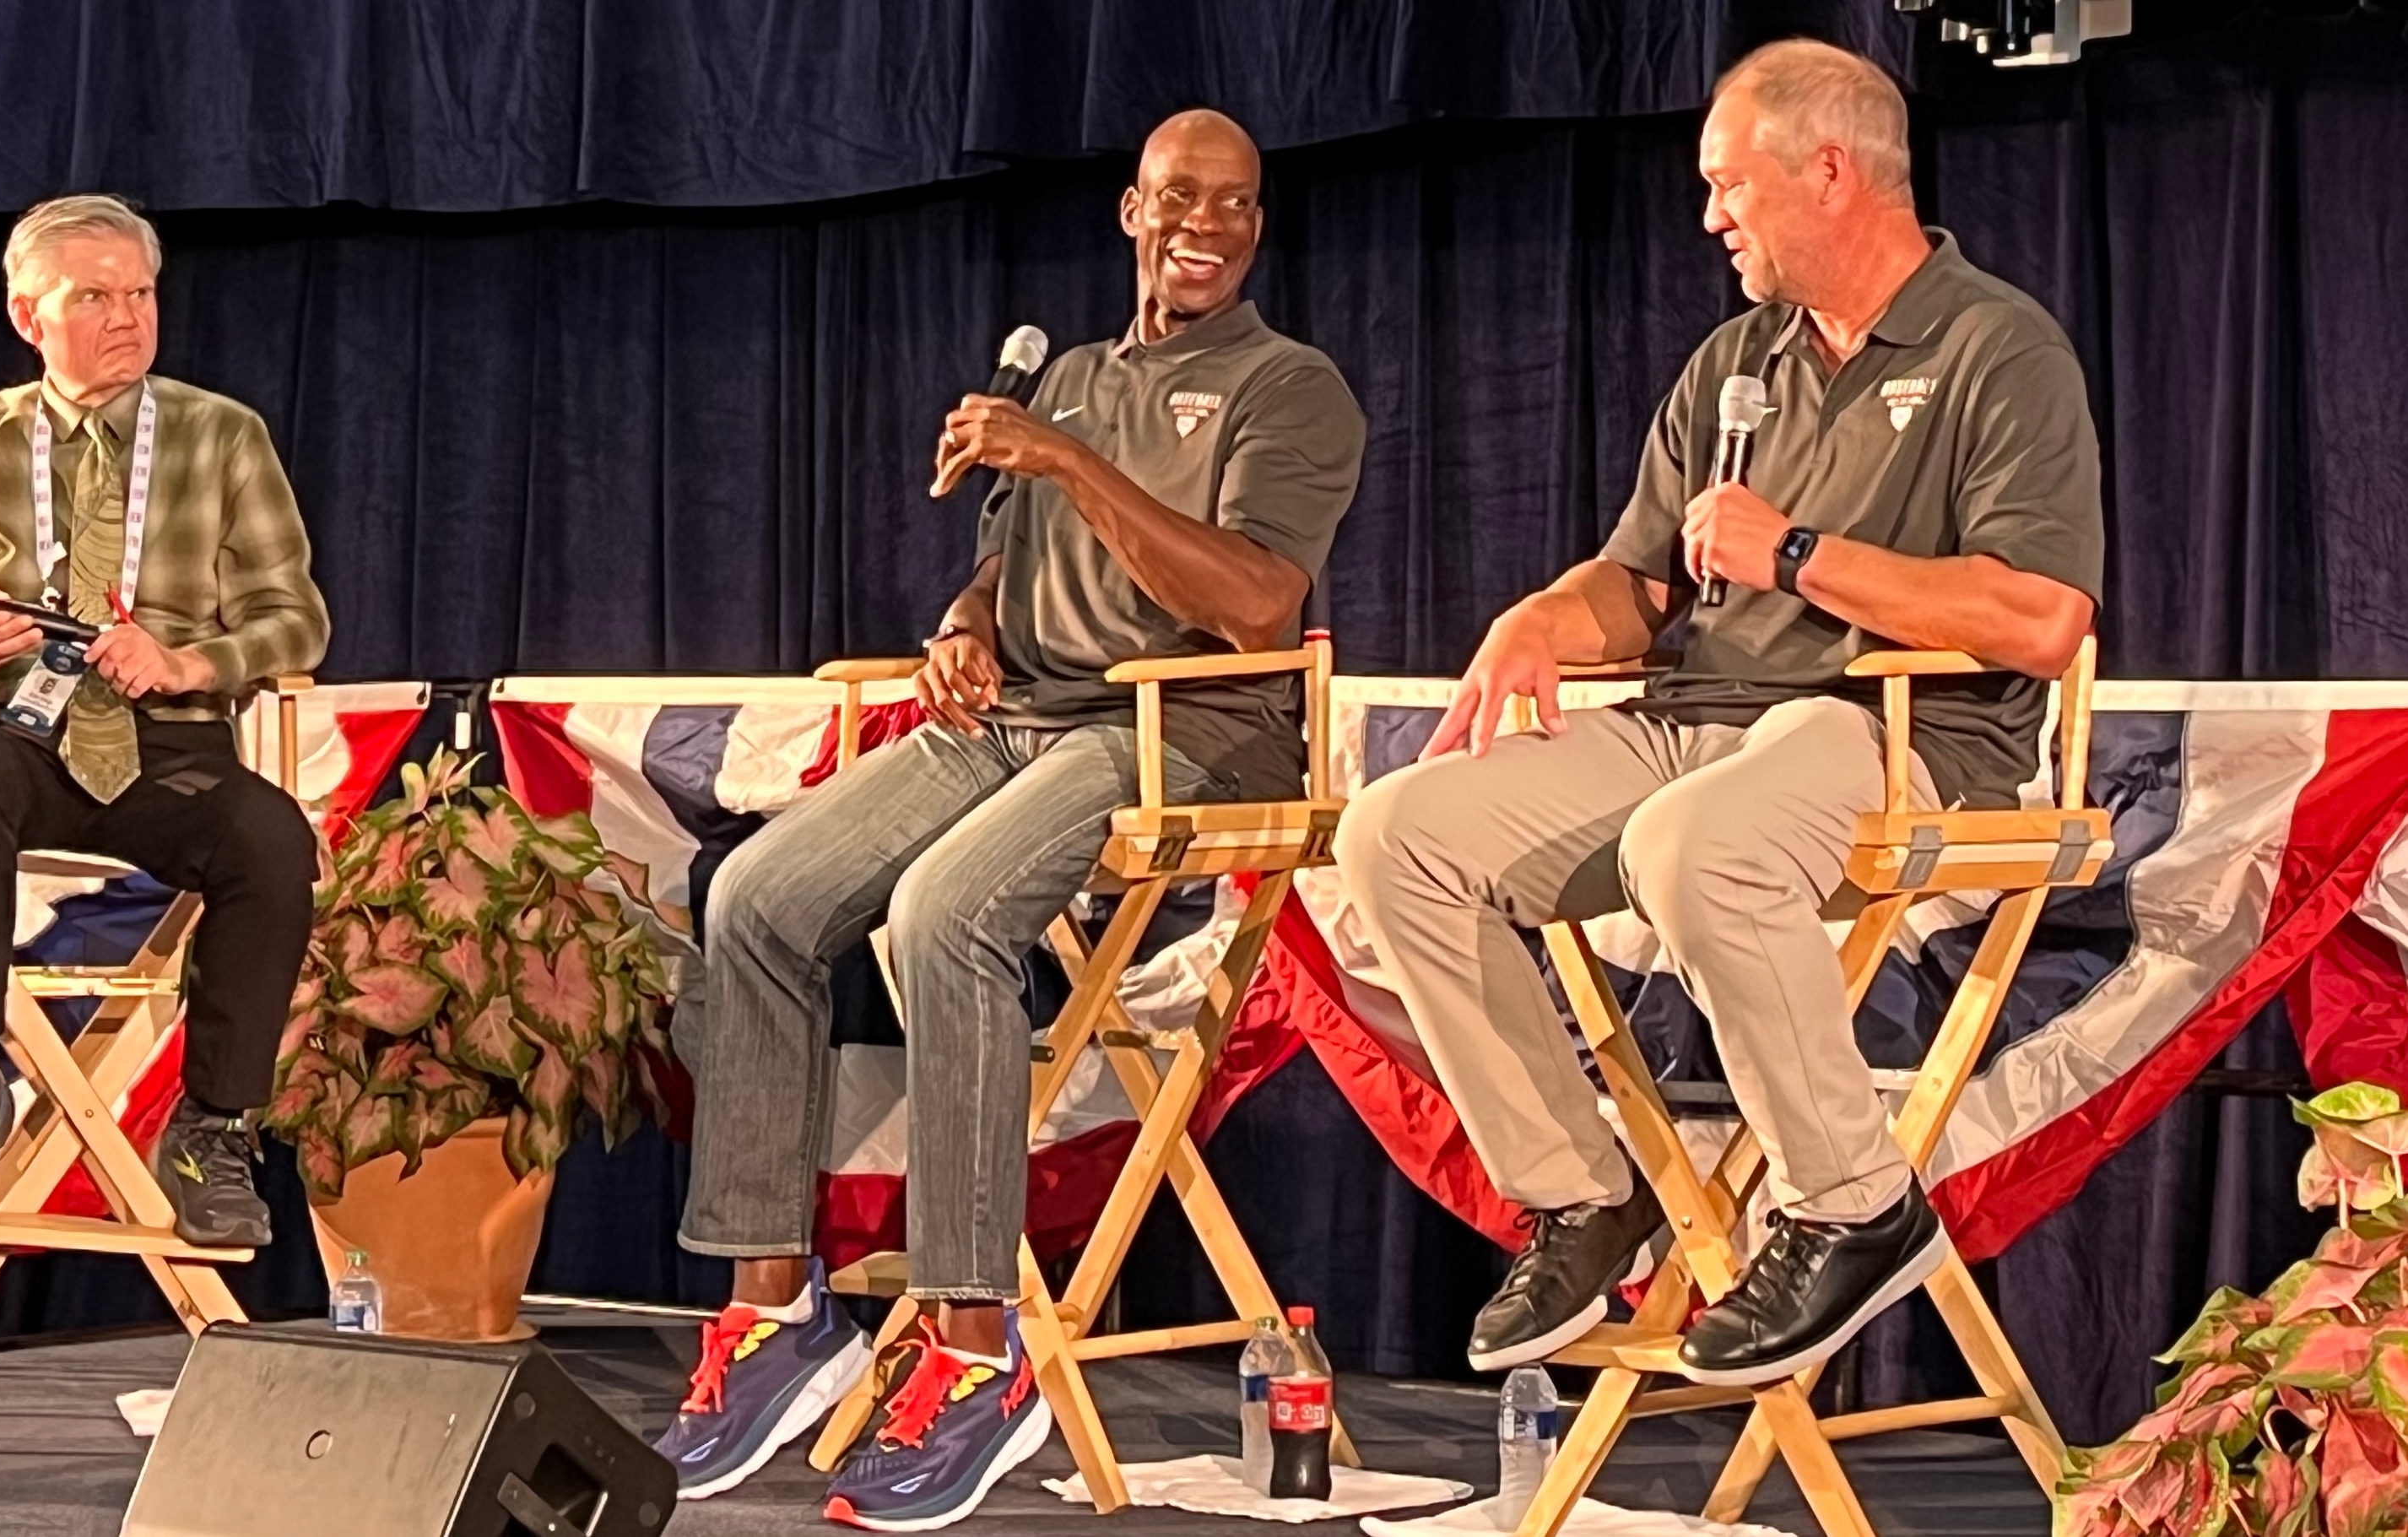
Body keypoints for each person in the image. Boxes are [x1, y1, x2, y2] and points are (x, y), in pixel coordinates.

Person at [1334, 39, 2102, 1389]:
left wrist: (1798, 553)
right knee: (1397, 834)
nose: (1710, 217)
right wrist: (1545, 617)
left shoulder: (1999, 346)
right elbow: (1642, 583)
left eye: (1728, 185)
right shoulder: (1736, 364)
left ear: (1830, 172)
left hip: (1898, 732)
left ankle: (1853, 1207)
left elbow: (2041, 620)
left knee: (1699, 842)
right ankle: (1582, 1190)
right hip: (1700, 718)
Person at [651, 110, 1365, 1529]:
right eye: (1177, 198)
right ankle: (772, 1309)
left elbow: (1255, 605)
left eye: (1233, 203)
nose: (1203, 224)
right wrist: (965, 623)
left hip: (1190, 731)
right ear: (1129, 213)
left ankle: (978, 1350)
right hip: (1024, 715)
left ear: (1258, 227)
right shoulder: (1084, 378)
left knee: (947, 912)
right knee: (754, 900)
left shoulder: (1289, 387)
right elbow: (1005, 566)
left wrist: (1066, 464)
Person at [0, 194, 328, 1249]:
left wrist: (190, 658)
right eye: (94, 296)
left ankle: (213, 1126)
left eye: (140, 293)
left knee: (272, 839)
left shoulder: (223, 435)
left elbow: (296, 620)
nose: (128, 316)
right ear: (27, 315)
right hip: (11, 732)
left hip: (167, 743)